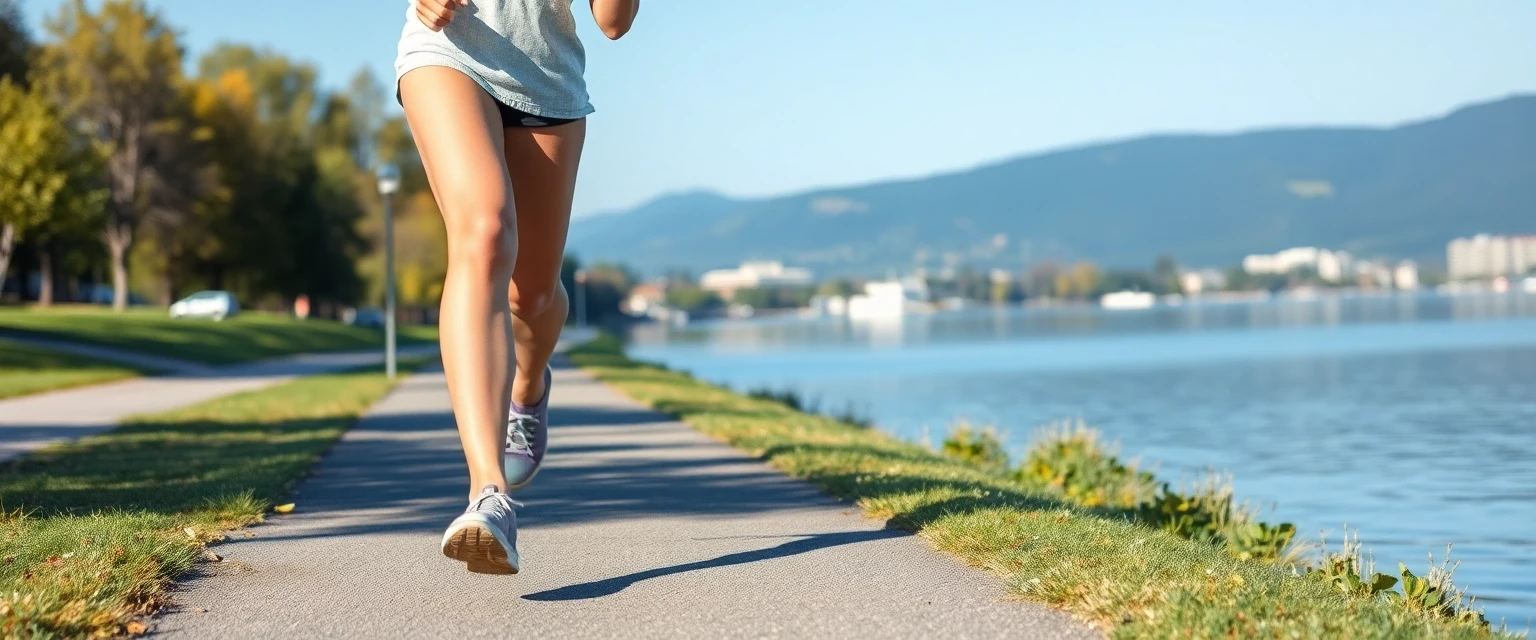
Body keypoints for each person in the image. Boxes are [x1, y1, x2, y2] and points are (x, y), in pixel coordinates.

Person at [394, 0, 639, 575]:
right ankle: (489, 493)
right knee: (484, 234)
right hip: (447, 46)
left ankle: (528, 387)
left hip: (546, 77)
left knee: (530, 295)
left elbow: (613, 22)